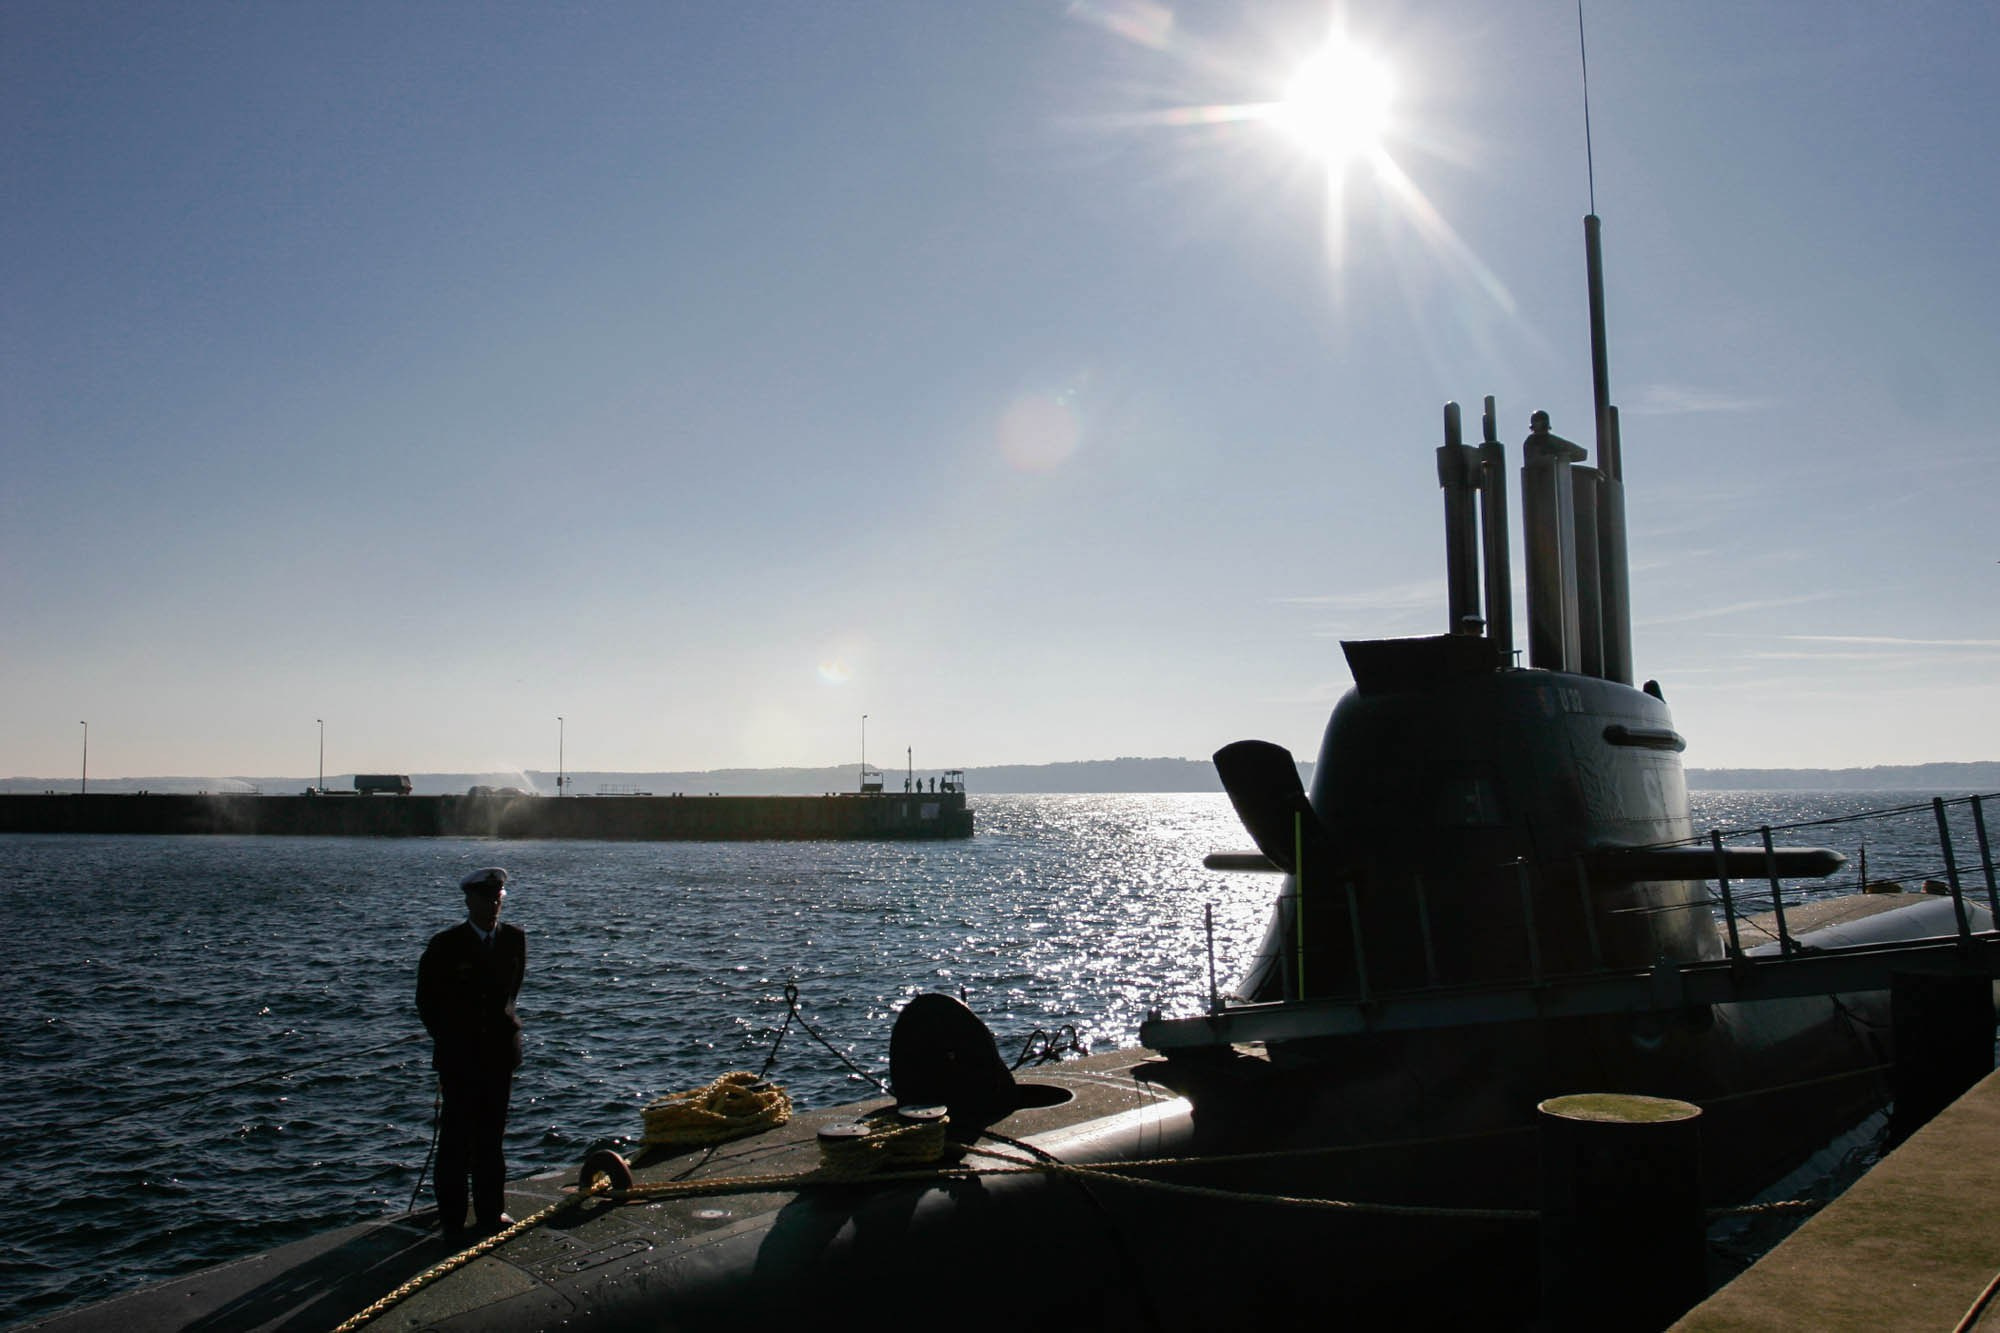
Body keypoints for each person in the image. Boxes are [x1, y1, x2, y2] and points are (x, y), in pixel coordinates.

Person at [417, 866, 526, 1233]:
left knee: (491, 1139)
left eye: (497, 899)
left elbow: (510, 994)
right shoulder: (445, 945)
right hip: (461, 1059)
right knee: (456, 1141)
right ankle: (452, 1216)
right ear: (469, 900)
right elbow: (427, 1002)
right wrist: (453, 1041)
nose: (493, 905)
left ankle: (491, 1212)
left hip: (499, 1057)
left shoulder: (514, 939)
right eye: (486, 899)